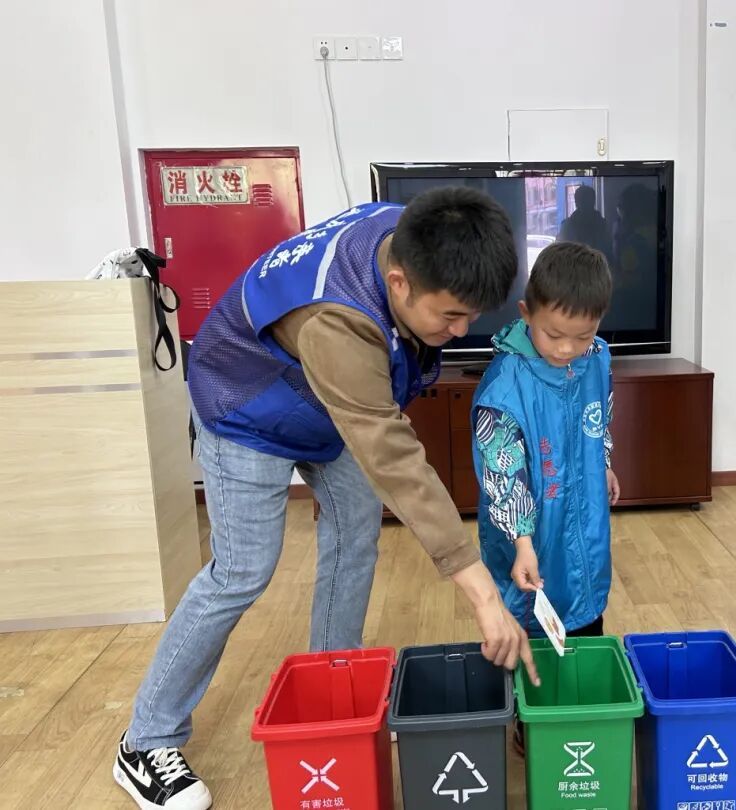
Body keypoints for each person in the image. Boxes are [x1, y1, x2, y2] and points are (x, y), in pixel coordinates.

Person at [114, 187, 539, 810]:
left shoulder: (412, 232)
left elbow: (370, 411)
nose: (459, 332)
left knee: (355, 539)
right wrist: (483, 595)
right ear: (399, 282)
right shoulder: (337, 321)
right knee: (242, 571)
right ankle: (146, 739)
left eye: (470, 315)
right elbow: (394, 457)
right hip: (245, 407)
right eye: (450, 316)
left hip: (327, 406)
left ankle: (332, 695)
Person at [471, 242, 619, 751]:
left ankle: (579, 705)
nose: (567, 349)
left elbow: (600, 416)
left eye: (583, 335)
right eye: (554, 334)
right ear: (526, 313)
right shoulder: (505, 387)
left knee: (585, 603)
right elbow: (502, 475)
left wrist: (603, 461)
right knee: (531, 611)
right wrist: (522, 542)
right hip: (531, 531)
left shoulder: (596, 358)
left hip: (585, 516)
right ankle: (528, 720)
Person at [557, 184, 614, 265]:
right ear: (593, 202)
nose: (585, 204)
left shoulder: (567, 226)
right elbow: (608, 254)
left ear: (576, 202)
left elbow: (562, 256)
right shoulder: (602, 225)